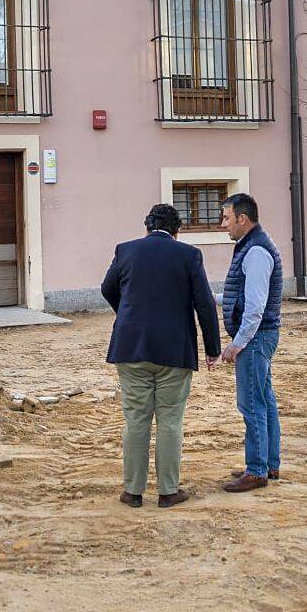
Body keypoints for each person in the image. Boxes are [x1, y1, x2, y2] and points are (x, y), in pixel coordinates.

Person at [101, 203, 222, 508]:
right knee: (169, 421)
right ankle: (168, 491)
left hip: (130, 348)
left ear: (147, 227)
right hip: (174, 349)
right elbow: (205, 304)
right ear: (177, 231)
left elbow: (107, 288)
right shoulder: (189, 255)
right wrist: (212, 350)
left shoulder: (126, 250)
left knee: (135, 419)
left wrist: (127, 314)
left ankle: (132, 491)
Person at [216, 192, 283, 493]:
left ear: (243, 219)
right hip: (261, 336)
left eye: (227, 218)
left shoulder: (256, 252)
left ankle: (256, 471)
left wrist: (238, 343)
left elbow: (255, 307)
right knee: (265, 401)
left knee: (251, 404)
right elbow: (242, 296)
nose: (223, 224)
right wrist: (213, 298)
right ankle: (268, 463)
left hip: (256, 338)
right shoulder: (253, 246)